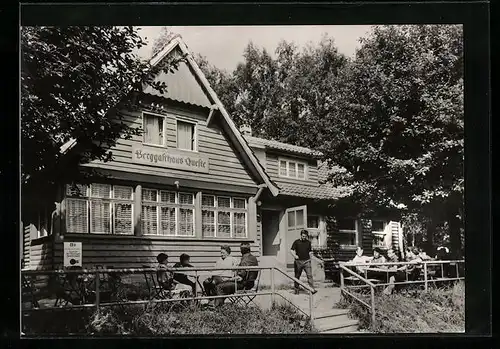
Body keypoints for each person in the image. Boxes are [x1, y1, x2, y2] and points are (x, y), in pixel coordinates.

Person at [290, 230, 317, 295]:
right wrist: (295, 255)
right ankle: (296, 290)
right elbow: (291, 250)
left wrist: (312, 256)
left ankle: (312, 290)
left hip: (307, 261)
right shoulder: (296, 242)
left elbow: (310, 251)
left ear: (307, 236)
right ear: (301, 235)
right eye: (303, 236)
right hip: (298, 262)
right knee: (297, 276)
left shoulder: (308, 243)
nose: (304, 237)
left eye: (305, 236)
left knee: (309, 276)